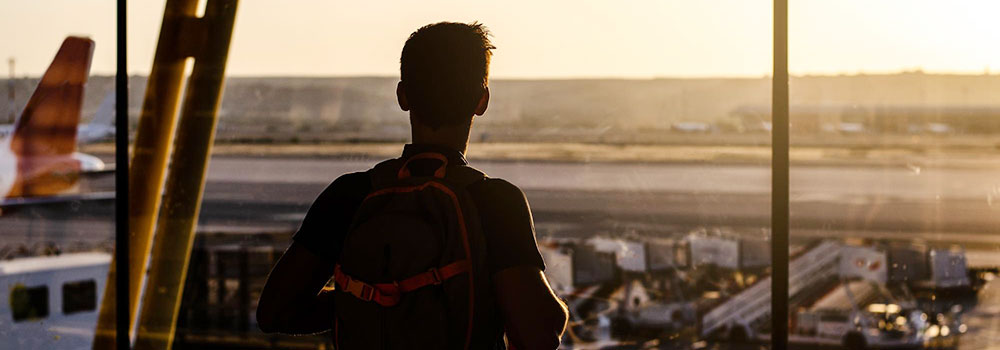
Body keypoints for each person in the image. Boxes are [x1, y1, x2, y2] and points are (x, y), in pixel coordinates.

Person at [256, 22, 568, 349]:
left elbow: (276, 312)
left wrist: (372, 301)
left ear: (403, 96)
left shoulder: (349, 194)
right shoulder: (495, 201)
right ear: (482, 100)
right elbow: (537, 334)